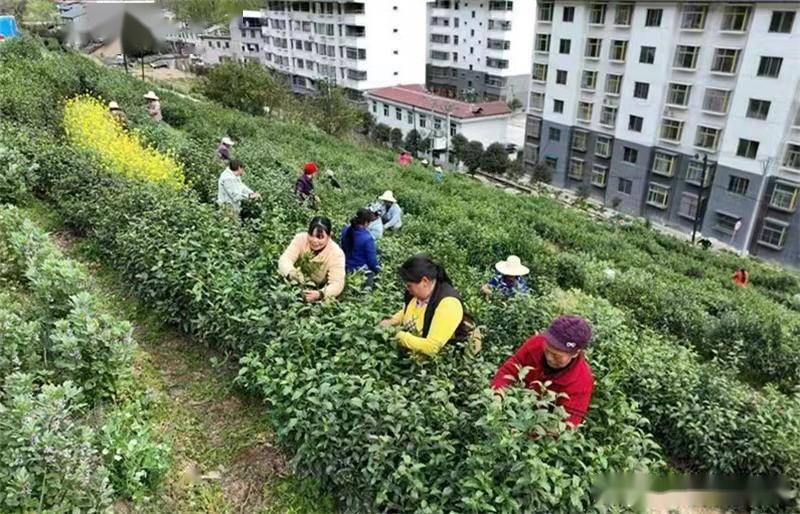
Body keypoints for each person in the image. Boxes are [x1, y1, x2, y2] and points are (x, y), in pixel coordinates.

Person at [491, 315, 594, 427]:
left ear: (575, 353)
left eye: (556, 355)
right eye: (547, 349)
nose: (549, 357)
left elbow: (567, 425)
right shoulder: (536, 343)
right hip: (518, 407)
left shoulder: (581, 381)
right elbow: (510, 369)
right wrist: (497, 395)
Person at [379, 255, 466, 356]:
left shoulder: (449, 304)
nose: (408, 289)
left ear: (424, 281)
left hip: (438, 364)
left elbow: (432, 347)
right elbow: (407, 310)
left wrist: (396, 335)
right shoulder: (417, 294)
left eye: (409, 285)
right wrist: (391, 321)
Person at [278, 217, 345, 302]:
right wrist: (291, 272)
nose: (314, 240)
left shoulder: (336, 253)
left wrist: (321, 294)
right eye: (311, 235)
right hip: (293, 285)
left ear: (328, 237)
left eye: (319, 237)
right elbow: (285, 258)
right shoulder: (300, 239)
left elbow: (337, 283)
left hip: (317, 290)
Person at [341, 208, 381, 288]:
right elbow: (372, 262)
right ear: (366, 223)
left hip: (344, 266)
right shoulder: (367, 238)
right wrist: (378, 270)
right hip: (359, 270)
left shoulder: (346, 230)